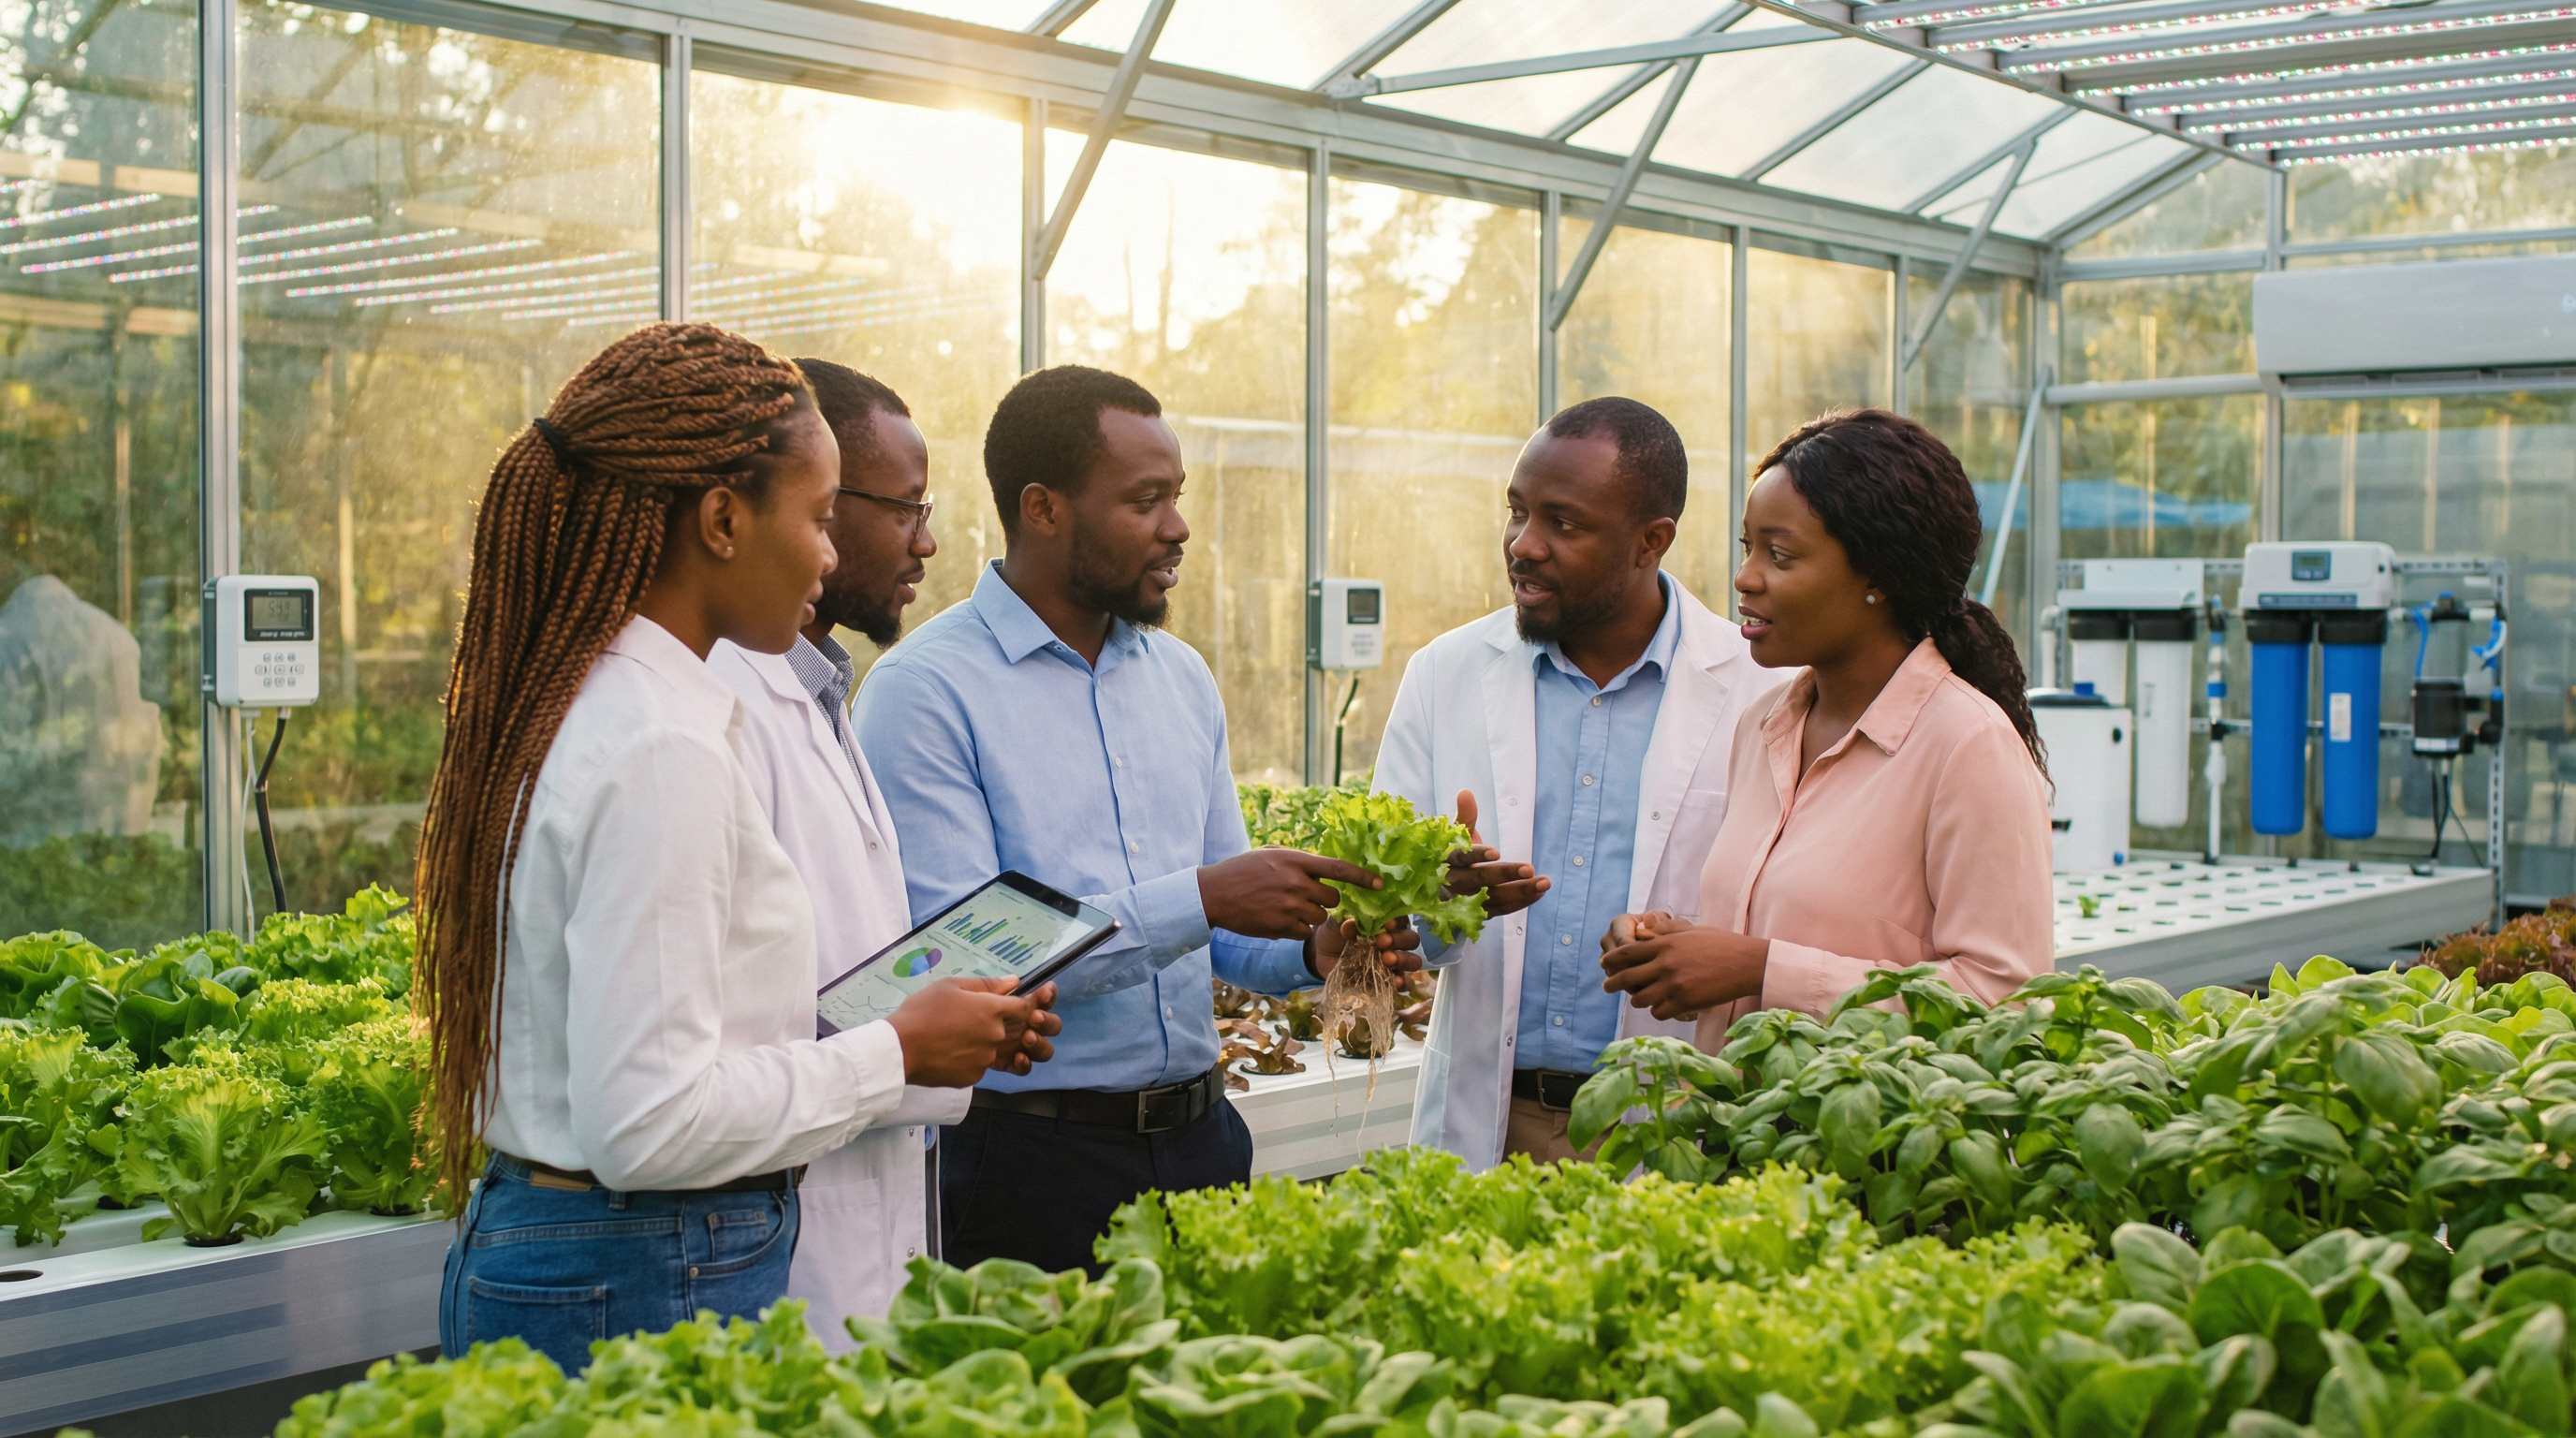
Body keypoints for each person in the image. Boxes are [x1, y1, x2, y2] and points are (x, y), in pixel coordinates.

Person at [415, 323, 1058, 1374]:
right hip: (636, 1267)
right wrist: (894, 1049)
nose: (828, 552)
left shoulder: (610, 697)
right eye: (814, 517)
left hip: (593, 1249)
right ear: (721, 520)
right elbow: (651, 1124)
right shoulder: (661, 739)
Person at [853, 363, 1414, 1275]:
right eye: (1146, 500)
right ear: (1043, 509)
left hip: (1202, 1146)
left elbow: (1224, 942)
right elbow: (961, 965)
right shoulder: (925, 692)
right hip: (1024, 1168)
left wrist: (1314, 952)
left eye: (1177, 497)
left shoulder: (1181, 679)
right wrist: (1199, 897)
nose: (1178, 527)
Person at [1371, 398, 1765, 1169]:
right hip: (1492, 1122)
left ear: (1651, 542)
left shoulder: (1759, 691)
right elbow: (1383, 926)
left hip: (1670, 1124)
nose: (1525, 545)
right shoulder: (1444, 675)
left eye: (1564, 523)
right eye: (1517, 512)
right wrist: (1435, 899)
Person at [1595, 408, 2053, 1041]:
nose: (1745, 577)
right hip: (1735, 1133)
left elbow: (2004, 1002)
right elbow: (1786, 925)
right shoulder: (1764, 725)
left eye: (1780, 555)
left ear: (1880, 578)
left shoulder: (1968, 745)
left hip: (1869, 1137)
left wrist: (1757, 969)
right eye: (1747, 547)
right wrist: (1677, 946)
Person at [705, 359, 956, 1346]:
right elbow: (717, 1043)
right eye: (905, 510)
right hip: (776, 1238)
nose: (926, 542)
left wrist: (943, 1020)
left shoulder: (818, 690)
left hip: (861, 1207)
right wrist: (907, 1042)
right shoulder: (718, 707)